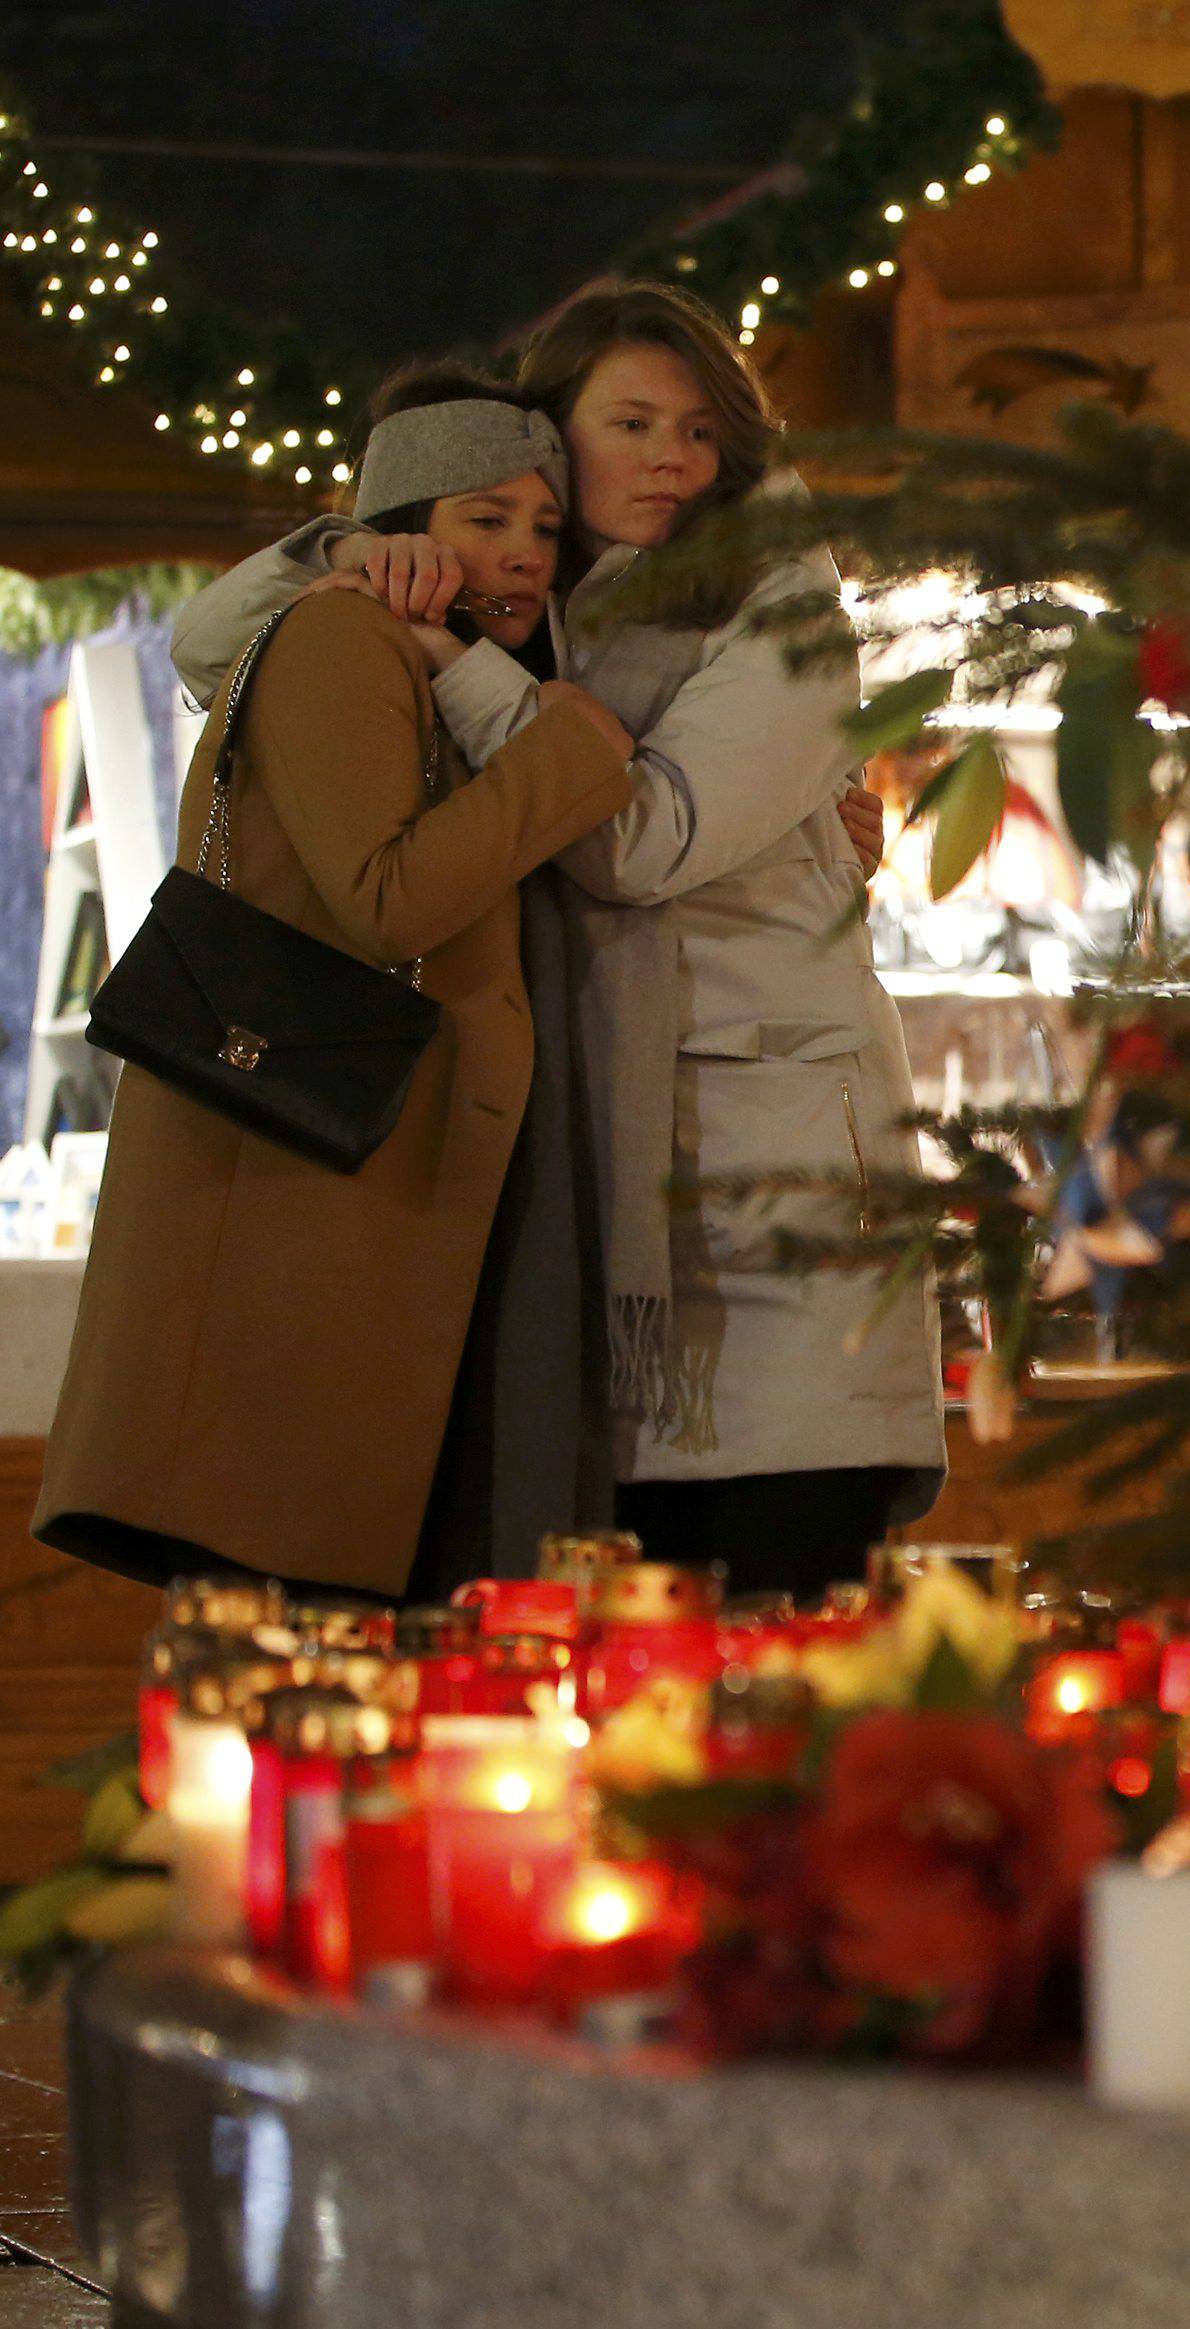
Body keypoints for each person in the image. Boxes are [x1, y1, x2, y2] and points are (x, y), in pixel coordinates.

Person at [170, 280, 947, 1601]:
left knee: (773, 1654)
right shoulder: (530, 586)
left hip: (763, 1207)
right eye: (633, 422)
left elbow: (638, 842)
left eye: (702, 431)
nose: (673, 460)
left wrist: (453, 659)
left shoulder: (778, 600)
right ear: (546, 430)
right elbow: (206, 649)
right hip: (570, 1205)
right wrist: (353, 559)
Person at [34, 387, 636, 1597]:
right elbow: (386, 896)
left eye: (544, 525)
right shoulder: (340, 638)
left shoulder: (455, 675)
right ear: (407, 525)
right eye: (486, 516)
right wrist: (572, 756)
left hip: (344, 1195)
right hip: (289, 1202)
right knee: (280, 1630)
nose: (524, 548)